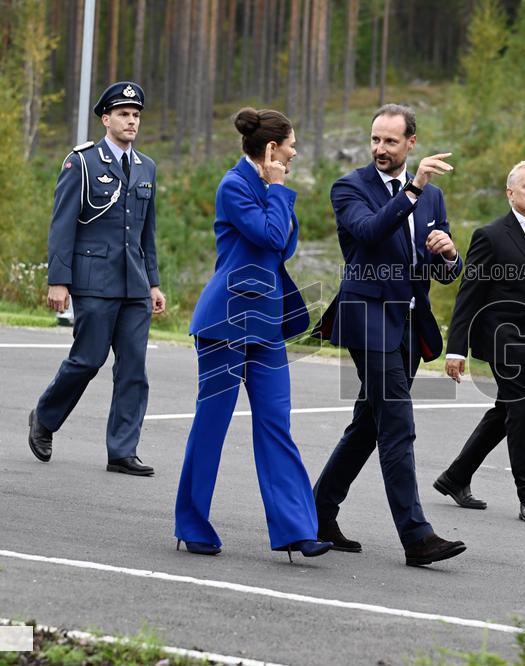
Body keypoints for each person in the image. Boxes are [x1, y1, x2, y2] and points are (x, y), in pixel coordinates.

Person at [311, 104, 466, 567]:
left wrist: (449, 253)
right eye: (375, 139)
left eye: (390, 141)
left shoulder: (433, 199)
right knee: (397, 423)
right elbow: (370, 232)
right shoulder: (350, 187)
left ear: (410, 143)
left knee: (369, 424)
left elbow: (443, 271)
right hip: (367, 317)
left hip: (410, 324)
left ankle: (317, 512)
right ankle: (417, 537)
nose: (380, 148)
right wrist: (414, 188)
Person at [174, 108, 331, 561]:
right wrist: (278, 189)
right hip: (225, 321)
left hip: (265, 324)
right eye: (291, 144)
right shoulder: (234, 185)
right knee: (212, 426)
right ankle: (191, 523)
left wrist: (276, 191)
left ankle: (297, 530)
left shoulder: (264, 188)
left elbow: (284, 244)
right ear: (271, 149)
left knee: (276, 426)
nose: (295, 151)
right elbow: (269, 235)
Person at [27, 81, 165, 476]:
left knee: (134, 368)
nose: (131, 121)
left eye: (136, 115)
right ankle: (45, 417)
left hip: (134, 284)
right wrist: (59, 280)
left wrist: (153, 283)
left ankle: (122, 450)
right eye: (123, 114)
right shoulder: (83, 162)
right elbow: (62, 224)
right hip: (94, 280)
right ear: (106, 119)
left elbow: (146, 232)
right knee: (88, 360)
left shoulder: (147, 167)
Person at [436, 160, 525, 524]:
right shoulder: (491, 235)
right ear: (510, 193)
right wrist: (456, 349)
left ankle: (456, 477)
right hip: (504, 341)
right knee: (522, 410)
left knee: (507, 412)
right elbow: (469, 295)